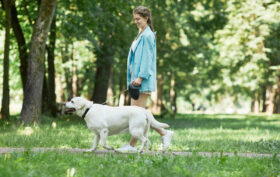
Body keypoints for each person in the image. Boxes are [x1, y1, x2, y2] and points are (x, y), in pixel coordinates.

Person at [117, 6, 174, 153]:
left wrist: (140, 78)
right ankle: (163, 134)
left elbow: (148, 60)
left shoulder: (148, 35)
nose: (135, 21)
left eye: (138, 19)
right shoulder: (140, 34)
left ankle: (132, 145)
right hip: (135, 80)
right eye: (134, 19)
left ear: (146, 18)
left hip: (141, 80)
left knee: (137, 114)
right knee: (139, 114)